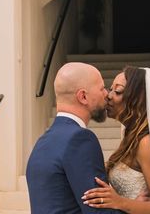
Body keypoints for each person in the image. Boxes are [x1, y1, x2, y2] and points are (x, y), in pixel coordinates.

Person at [82, 67, 150, 214]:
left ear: (138, 99)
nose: (108, 95)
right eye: (110, 89)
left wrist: (121, 202)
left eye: (118, 91)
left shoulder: (146, 143)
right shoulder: (130, 136)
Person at [26, 62, 125, 214]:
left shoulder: (42, 142)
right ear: (83, 96)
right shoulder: (80, 139)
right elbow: (98, 212)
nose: (106, 94)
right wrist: (134, 206)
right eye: (101, 88)